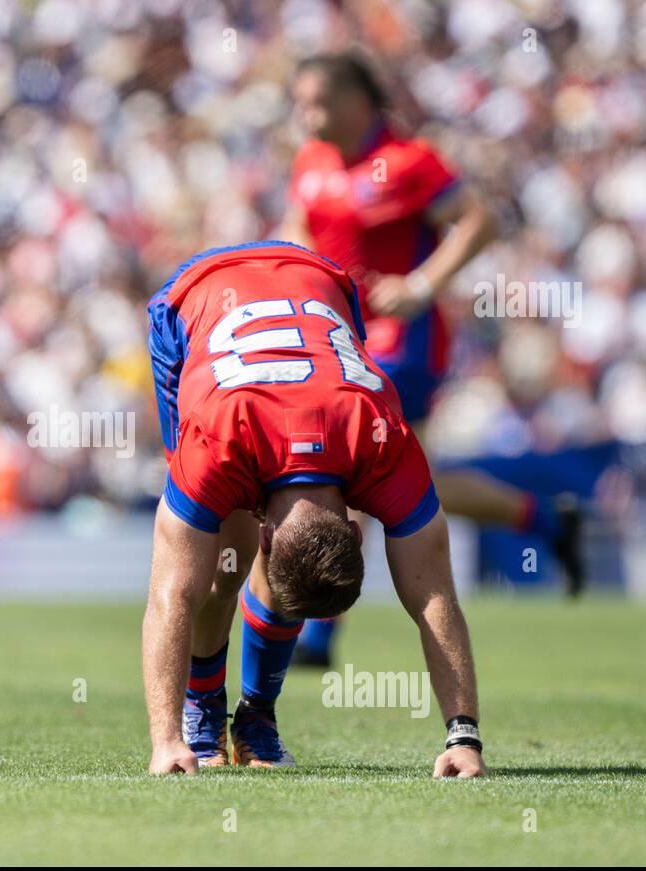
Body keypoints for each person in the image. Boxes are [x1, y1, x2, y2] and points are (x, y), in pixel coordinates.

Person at [280, 52, 583, 666]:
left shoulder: (408, 163)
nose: (306, 114)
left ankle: (319, 630)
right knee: (410, 479)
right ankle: (543, 520)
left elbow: (481, 221)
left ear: (356, 100)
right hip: (339, 341)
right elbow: (297, 235)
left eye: (317, 101)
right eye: (300, 101)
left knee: (352, 470)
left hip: (402, 343)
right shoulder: (310, 163)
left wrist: (420, 284)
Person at [143, 241, 486, 777]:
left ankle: (256, 714)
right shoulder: (224, 442)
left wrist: (465, 736)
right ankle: (202, 708)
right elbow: (170, 592)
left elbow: (432, 596)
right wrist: (163, 741)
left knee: (278, 570)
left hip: (319, 277)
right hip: (196, 294)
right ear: (357, 528)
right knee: (217, 566)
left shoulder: (383, 441)